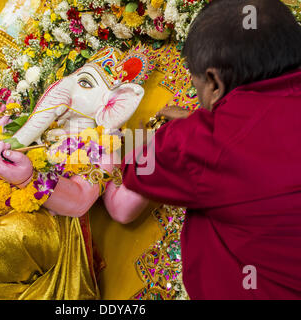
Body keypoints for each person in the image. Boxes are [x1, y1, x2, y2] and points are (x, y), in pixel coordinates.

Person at [107, 0, 301, 299]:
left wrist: (165, 132)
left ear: (213, 82)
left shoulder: (201, 143)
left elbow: (136, 171)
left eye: (196, 86)